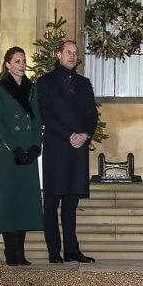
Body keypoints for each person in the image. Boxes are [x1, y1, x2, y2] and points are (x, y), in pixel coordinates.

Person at [37, 40, 98, 263]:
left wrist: (85, 135)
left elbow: (92, 114)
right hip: (56, 149)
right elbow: (45, 115)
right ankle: (54, 251)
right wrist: (68, 135)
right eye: (68, 52)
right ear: (58, 54)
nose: (72, 56)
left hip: (78, 150)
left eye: (75, 53)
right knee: (52, 203)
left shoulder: (84, 83)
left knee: (71, 203)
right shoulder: (45, 82)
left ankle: (72, 250)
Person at [0, 46, 43, 266]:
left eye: (23, 61)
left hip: (28, 152)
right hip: (10, 152)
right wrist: (14, 147)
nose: (22, 65)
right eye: (17, 61)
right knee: (8, 199)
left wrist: (36, 146)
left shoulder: (32, 88)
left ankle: (21, 252)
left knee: (25, 201)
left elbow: (37, 119)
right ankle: (10, 252)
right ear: (8, 64)